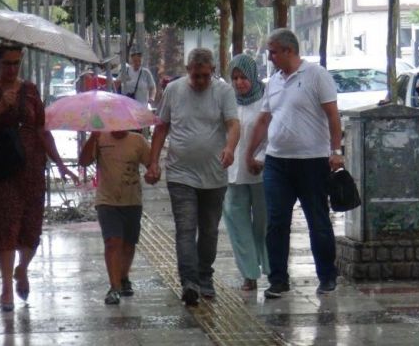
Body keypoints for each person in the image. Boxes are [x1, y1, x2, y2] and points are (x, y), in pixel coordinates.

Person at [0, 41, 77, 313]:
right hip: (1, 170)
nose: (12, 69)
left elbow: (42, 129)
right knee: (5, 226)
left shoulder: (30, 90)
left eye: (16, 63)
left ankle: (22, 268)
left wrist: (60, 163)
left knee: (31, 228)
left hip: (31, 170)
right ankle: (7, 287)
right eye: (7, 63)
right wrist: (0, 106)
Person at [245, 28, 343, 299]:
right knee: (276, 222)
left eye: (273, 52)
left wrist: (336, 151)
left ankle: (327, 276)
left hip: (312, 162)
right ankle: (278, 280)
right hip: (277, 162)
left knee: (317, 220)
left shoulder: (316, 75)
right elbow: (263, 119)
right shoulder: (274, 82)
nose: (270, 57)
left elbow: (333, 116)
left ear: (289, 50)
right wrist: (250, 153)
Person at [144, 48, 240, 306]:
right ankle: (189, 282)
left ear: (213, 72)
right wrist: (153, 162)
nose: (200, 81)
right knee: (186, 228)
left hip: (214, 175)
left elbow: (233, 124)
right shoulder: (174, 90)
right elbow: (162, 127)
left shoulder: (223, 92)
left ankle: (205, 276)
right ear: (188, 71)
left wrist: (230, 148)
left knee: (209, 230)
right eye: (195, 76)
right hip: (180, 173)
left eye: (205, 76)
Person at [79, 130, 150, 305]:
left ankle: (123, 277)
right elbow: (84, 161)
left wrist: (153, 172)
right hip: (107, 201)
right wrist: (92, 138)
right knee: (112, 241)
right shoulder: (99, 138)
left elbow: (151, 164)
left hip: (132, 200)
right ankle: (114, 287)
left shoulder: (138, 141)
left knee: (128, 243)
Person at [222, 54, 269, 291]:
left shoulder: (266, 100)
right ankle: (249, 273)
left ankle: (271, 268)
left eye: (243, 77)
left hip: (261, 173)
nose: (239, 83)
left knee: (264, 224)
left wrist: (261, 158)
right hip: (232, 174)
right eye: (235, 78)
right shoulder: (227, 102)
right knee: (237, 225)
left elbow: (274, 134)